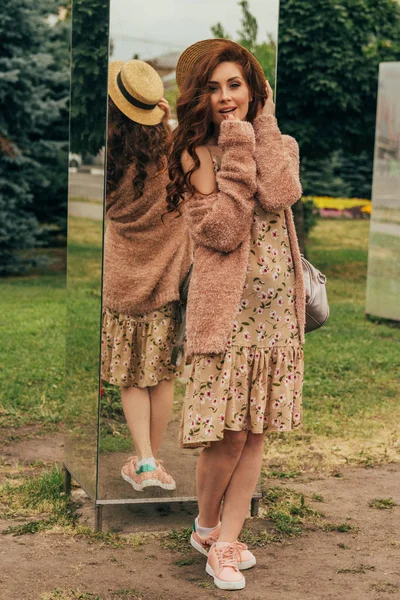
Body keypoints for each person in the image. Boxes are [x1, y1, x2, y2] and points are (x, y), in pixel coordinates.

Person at [167, 39, 305, 591]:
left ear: (254, 90)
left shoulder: (276, 141)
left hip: (276, 318)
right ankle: (206, 527)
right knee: (225, 437)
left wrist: (260, 132)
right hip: (226, 320)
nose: (226, 97)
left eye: (236, 85)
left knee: (254, 435)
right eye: (214, 87)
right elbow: (223, 230)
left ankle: (227, 541)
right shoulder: (196, 154)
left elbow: (282, 192)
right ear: (201, 94)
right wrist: (238, 145)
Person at [101, 59, 192, 492]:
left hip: (121, 280)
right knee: (161, 375)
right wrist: (168, 118)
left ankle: (144, 462)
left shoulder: (110, 159)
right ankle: (151, 462)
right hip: (163, 280)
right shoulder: (172, 155)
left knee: (130, 375)